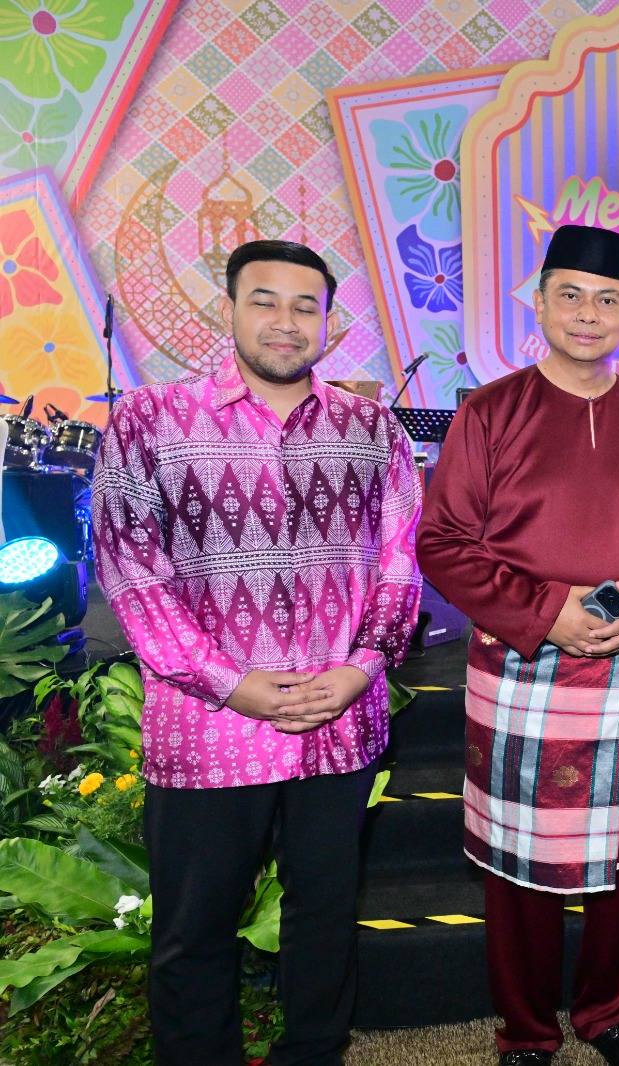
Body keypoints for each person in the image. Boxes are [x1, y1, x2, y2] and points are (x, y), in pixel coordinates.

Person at [93, 239, 422, 1065]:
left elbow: (400, 559)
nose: (286, 321)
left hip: (336, 726)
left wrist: (361, 667)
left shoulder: (370, 429)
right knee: (193, 934)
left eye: (306, 306)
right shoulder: (151, 420)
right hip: (208, 733)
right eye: (265, 301)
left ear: (329, 322)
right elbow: (132, 571)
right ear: (231, 309)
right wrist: (227, 682)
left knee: (323, 921)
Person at [415, 224, 619, 1066]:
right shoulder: (489, 413)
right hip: (522, 664)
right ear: (540, 304)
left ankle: (608, 1011)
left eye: (607, 299)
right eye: (570, 295)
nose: (588, 313)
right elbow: (442, 543)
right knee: (519, 868)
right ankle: (526, 1030)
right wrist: (546, 612)